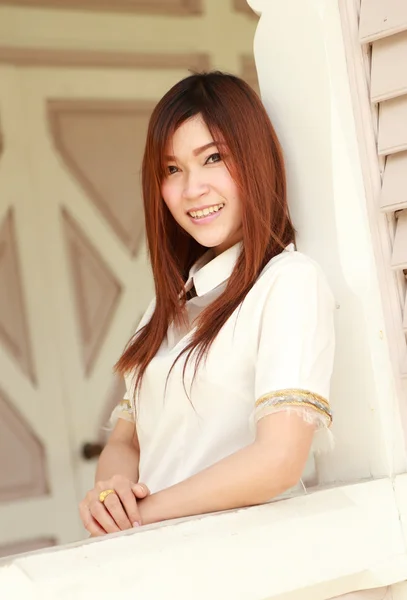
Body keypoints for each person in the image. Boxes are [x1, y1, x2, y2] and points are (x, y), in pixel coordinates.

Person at [79, 71, 336, 536]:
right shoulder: (165, 309)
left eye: (213, 158)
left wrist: (143, 514)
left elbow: (277, 459)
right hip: (156, 560)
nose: (191, 189)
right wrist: (111, 496)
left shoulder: (289, 283)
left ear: (255, 160)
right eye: (172, 169)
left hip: (244, 560)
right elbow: (126, 440)